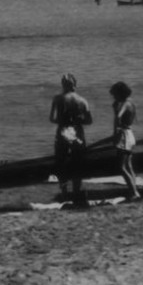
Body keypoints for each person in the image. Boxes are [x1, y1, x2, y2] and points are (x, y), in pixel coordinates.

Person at [49, 74, 92, 208]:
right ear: (75, 84)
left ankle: (64, 192)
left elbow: (52, 118)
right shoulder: (82, 100)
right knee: (78, 162)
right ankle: (76, 191)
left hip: (63, 131)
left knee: (61, 161)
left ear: (63, 85)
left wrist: (63, 121)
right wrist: (77, 120)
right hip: (77, 132)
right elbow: (89, 121)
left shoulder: (57, 99)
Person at [109, 82, 141, 201]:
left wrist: (115, 133)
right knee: (129, 165)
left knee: (121, 167)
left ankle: (134, 192)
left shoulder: (125, 104)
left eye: (115, 95)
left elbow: (118, 117)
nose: (114, 97)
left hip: (123, 135)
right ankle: (134, 190)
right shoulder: (131, 102)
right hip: (130, 134)